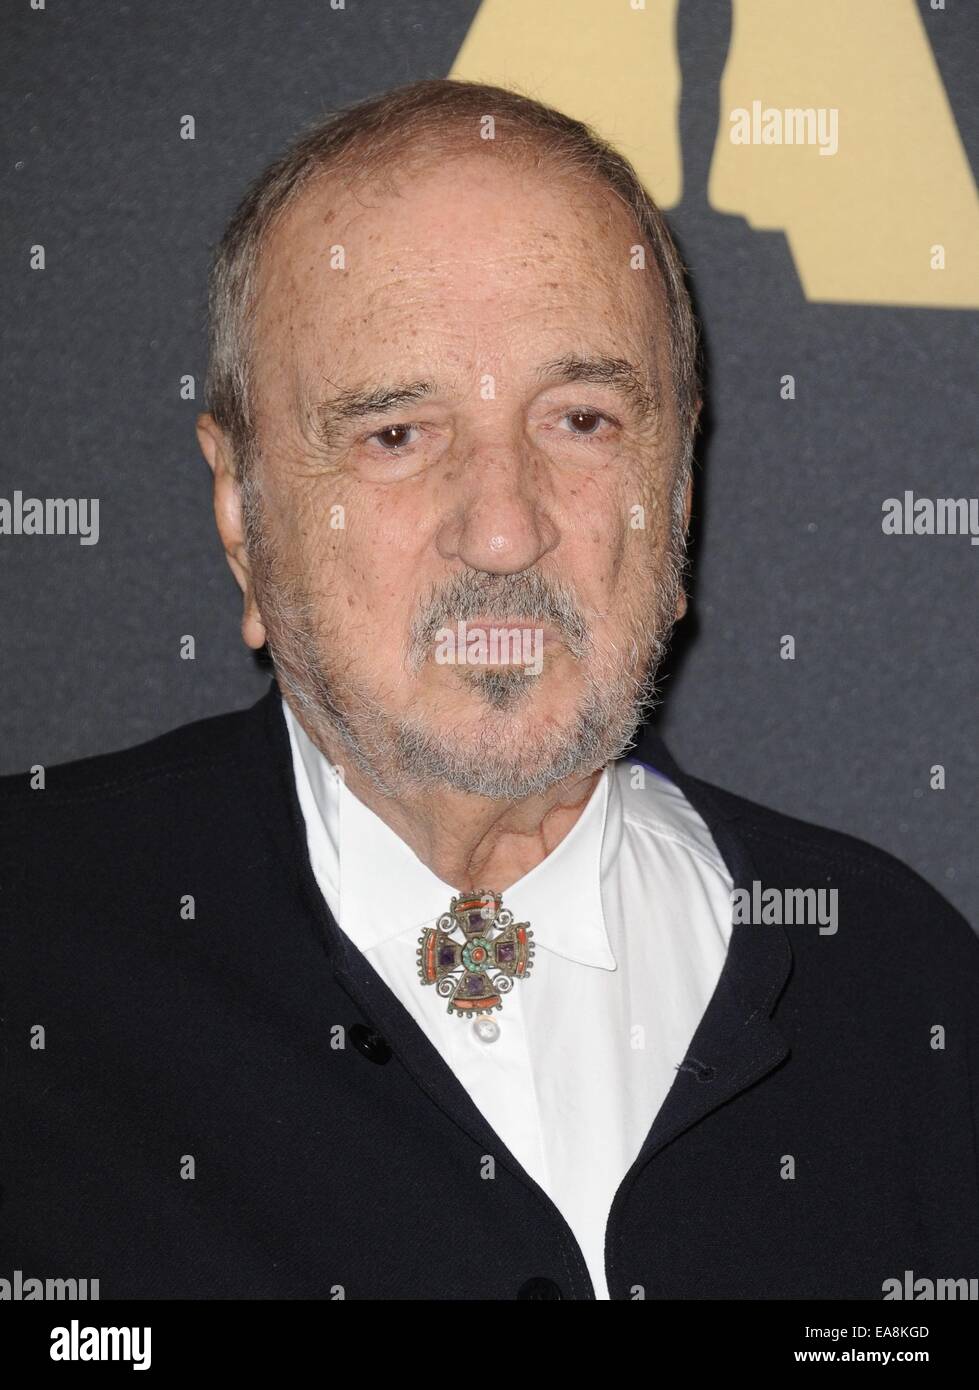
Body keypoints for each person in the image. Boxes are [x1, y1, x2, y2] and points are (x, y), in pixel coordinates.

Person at [2, 78, 976, 1301]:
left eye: (581, 419)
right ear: (242, 515)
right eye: (396, 434)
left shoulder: (901, 992)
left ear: (673, 496)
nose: (504, 528)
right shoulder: (34, 950)